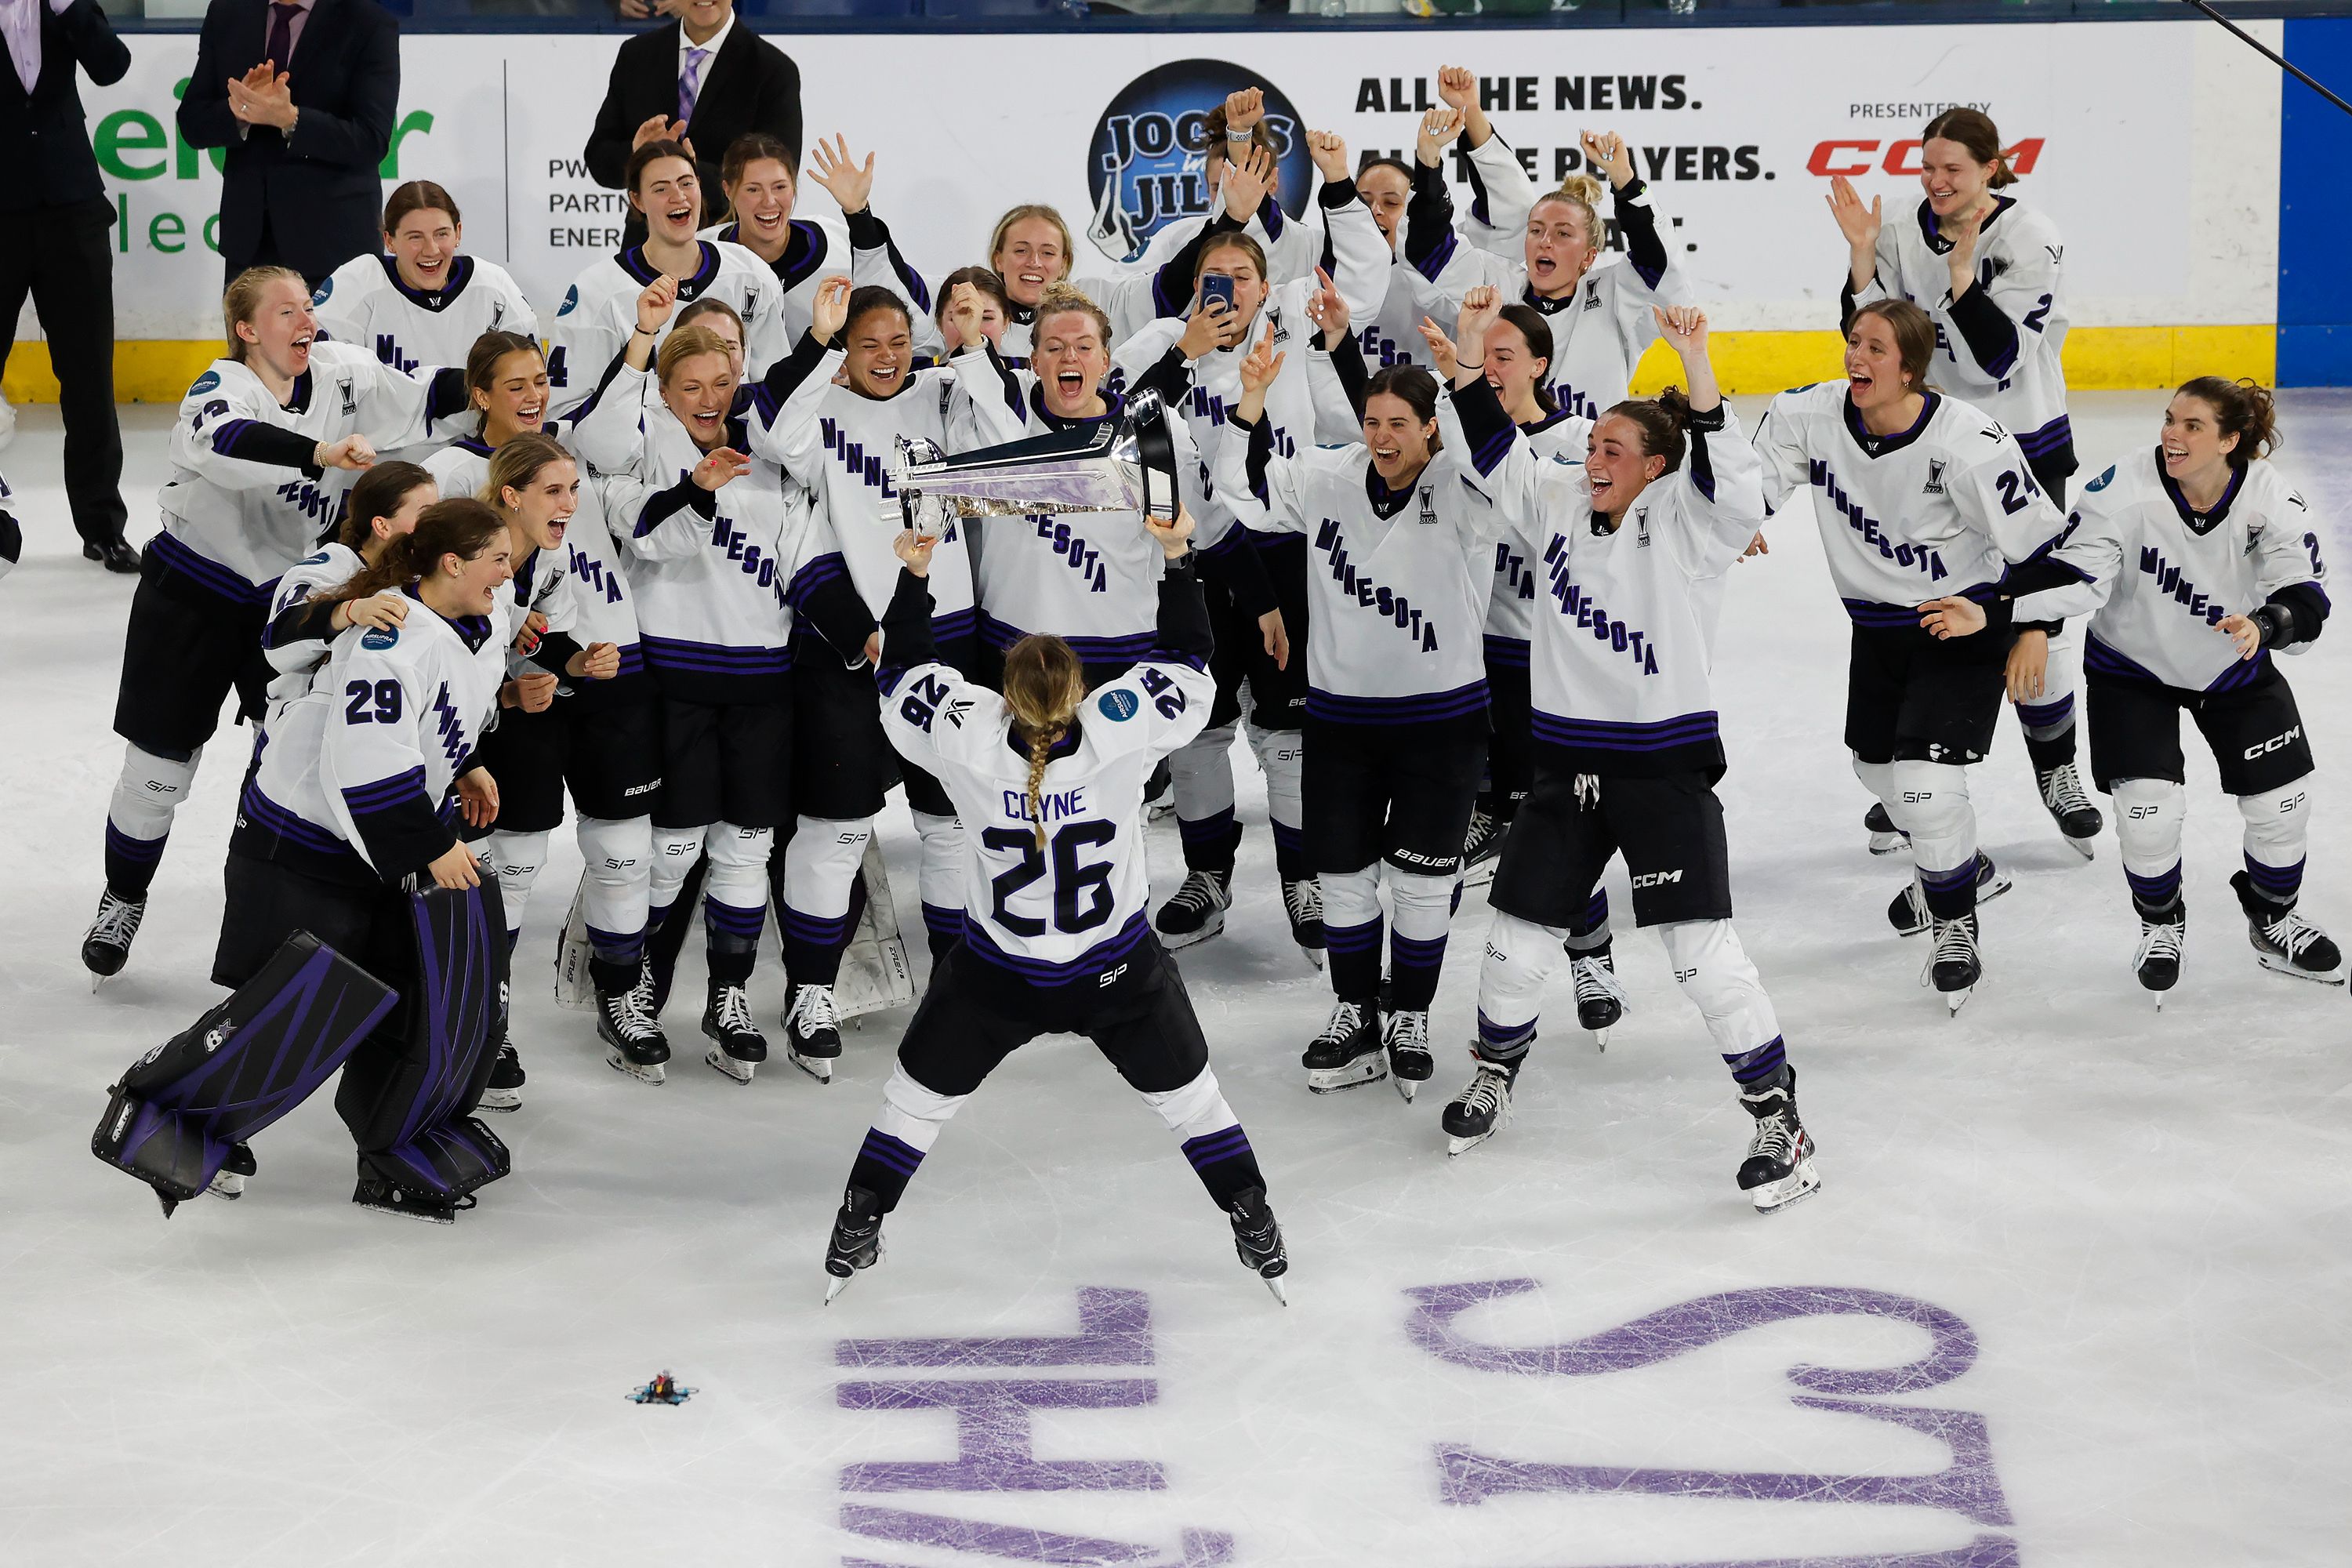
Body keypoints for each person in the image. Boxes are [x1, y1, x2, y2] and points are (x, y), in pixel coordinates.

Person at [822, 514, 1287, 1305]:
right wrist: (1176, 558)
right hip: (1114, 971)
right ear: (1081, 693)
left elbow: (900, 673)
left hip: (998, 975)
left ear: (1005, 695)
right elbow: (1187, 658)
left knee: (916, 1103)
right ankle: (1252, 1215)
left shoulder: (970, 735)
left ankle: (860, 1218)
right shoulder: (1118, 729)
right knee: (1192, 1101)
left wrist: (913, 572)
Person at [1431, 298, 1817, 1214]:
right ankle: (1494, 1074)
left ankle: (1780, 1118)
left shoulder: (1691, 527)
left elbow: (1732, 483)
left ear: (1656, 467)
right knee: (1516, 944)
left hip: (1662, 767)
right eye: (1591, 443)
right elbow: (1498, 455)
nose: (1592, 459)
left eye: (1613, 450)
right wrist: (1460, 369)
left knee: (1700, 957)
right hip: (1566, 770)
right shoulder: (1561, 501)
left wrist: (1696, 365)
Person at [81, 267, 465, 985]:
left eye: (308, 307)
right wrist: (319, 453)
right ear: (247, 330)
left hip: (291, 606)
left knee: (283, 775)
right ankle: (122, 897)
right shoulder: (221, 388)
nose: (305, 320)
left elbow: (422, 398)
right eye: (284, 311)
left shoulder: (343, 373)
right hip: (192, 596)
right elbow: (225, 442)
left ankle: (269, 928)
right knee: (158, 775)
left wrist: (495, 382)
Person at [1919, 378, 2339, 996]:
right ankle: (2161, 924)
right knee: (2147, 816)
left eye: (2193, 426)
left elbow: (2306, 598)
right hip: (2132, 670)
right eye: (2170, 419)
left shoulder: (2273, 502)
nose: (2171, 434)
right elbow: (2073, 573)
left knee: (2282, 807)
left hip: (2233, 665)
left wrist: (2265, 623)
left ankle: (2273, 917)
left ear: (2231, 440)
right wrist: (1993, 609)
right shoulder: (2124, 488)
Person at [1212, 332, 1515, 1100]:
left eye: (1399, 424)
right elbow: (1239, 487)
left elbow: (1510, 475)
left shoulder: (1463, 489)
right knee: (1344, 881)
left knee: (1418, 885)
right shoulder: (1329, 476)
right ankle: (1356, 1011)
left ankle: (1408, 1013)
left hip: (1440, 726)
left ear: (1430, 428)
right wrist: (1250, 400)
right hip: (1343, 724)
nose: (1382, 436)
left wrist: (1465, 375)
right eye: (1373, 421)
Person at [1752, 299, 2067, 1012]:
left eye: (1876, 348)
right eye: (1853, 342)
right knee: (1875, 769)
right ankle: (1966, 866)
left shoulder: (1968, 443)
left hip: (1959, 623)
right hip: (1879, 630)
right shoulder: (1810, 414)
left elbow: (2049, 548)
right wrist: (1739, 519)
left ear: (1912, 369)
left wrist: (2032, 628)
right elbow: (1752, 482)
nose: (1856, 357)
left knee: (1926, 790)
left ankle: (1954, 925)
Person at [587, 321, 873, 1085]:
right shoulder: (642, 447)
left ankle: (730, 994)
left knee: (746, 849)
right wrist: (697, 487)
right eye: (691, 386)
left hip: (761, 688)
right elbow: (647, 536)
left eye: (722, 383)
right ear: (665, 389)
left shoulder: (771, 460)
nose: (708, 399)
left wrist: (860, 633)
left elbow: (806, 560)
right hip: (674, 683)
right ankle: (630, 988)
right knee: (674, 851)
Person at [216, 498, 514, 1221]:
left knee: (400, 1007)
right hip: (304, 840)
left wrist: (463, 762)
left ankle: (390, 1158)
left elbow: (434, 711)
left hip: (372, 840)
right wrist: (430, 844)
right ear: (453, 562)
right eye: (497, 559)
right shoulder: (389, 634)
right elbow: (366, 764)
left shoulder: (477, 619)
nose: (508, 573)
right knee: (287, 1004)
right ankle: (190, 1130)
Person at [1829, 107, 2097, 858]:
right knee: (1926, 604)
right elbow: (1868, 344)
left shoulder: (2029, 237)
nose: (1937, 181)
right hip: (1933, 455)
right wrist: (1859, 258)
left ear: (1992, 167)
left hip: (2024, 452)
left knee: (2034, 625)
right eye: (1928, 167)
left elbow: (1997, 362)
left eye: (1953, 168)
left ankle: (2057, 770)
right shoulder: (1894, 233)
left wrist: (1957, 276)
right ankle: (1914, 776)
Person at [743, 278, 989, 1037]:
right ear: (844, 355)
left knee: (948, 824)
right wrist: (817, 341)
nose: (886, 356)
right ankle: (812, 988)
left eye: (896, 340)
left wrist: (974, 347)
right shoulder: (821, 416)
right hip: (852, 657)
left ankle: (955, 984)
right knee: (837, 827)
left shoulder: (947, 396)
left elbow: (1000, 438)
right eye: (865, 343)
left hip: (947, 639)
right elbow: (772, 427)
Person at [1405, 129, 1687, 423]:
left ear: (1589, 256)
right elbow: (1427, 247)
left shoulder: (1614, 293)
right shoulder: (1496, 285)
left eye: (1563, 233)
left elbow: (1657, 262)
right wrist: (1428, 162)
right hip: (1505, 459)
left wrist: (1626, 184)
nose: (1546, 241)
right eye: (1536, 230)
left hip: (1593, 462)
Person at [0, 0, 136, 571]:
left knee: (88, 379)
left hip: (72, 210)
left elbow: (111, 65)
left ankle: (103, 526)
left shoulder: (71, 5)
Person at [546, 139, 780, 416]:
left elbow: (776, 388)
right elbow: (566, 408)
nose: (678, 196)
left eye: (686, 183)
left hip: (738, 452)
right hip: (641, 456)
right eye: (661, 188)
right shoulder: (597, 290)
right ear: (637, 199)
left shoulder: (749, 272)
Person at [176, 0, 401, 286]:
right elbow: (192, 122)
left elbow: (371, 139)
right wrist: (240, 111)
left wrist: (292, 120)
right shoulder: (228, 11)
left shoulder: (368, 21)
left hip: (333, 248)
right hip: (248, 245)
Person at [582, 0, 800, 241]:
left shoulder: (773, 70)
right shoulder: (636, 56)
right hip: (646, 250)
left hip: (733, 248)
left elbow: (779, 177)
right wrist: (637, 153)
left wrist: (687, 171)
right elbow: (600, 162)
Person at [311, 182, 539, 374]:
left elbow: (529, 382)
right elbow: (327, 384)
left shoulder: (493, 287)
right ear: (389, 241)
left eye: (441, 234)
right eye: (415, 237)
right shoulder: (356, 284)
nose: (431, 250)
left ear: (458, 232)